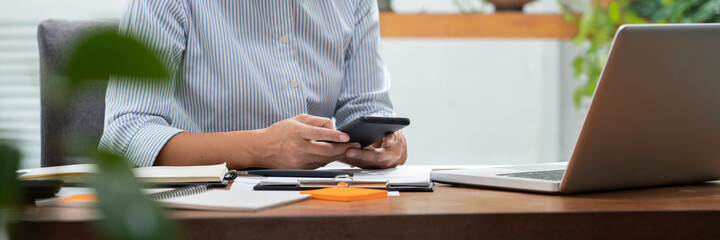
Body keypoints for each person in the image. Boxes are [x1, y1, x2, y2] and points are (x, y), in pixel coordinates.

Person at [99, 0, 407, 170]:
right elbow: (126, 135)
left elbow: (366, 106)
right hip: (204, 209)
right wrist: (262, 148)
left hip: (317, 204)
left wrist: (387, 142)